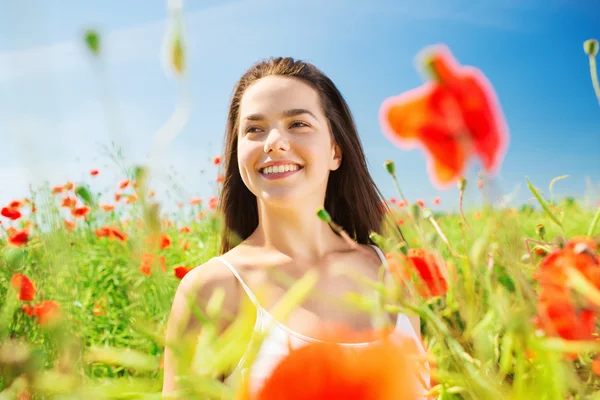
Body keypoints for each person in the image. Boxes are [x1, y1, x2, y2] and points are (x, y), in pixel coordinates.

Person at [162, 57, 428, 398]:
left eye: (298, 124)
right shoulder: (214, 289)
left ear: (335, 151)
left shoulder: (396, 277)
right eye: (254, 129)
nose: (274, 141)